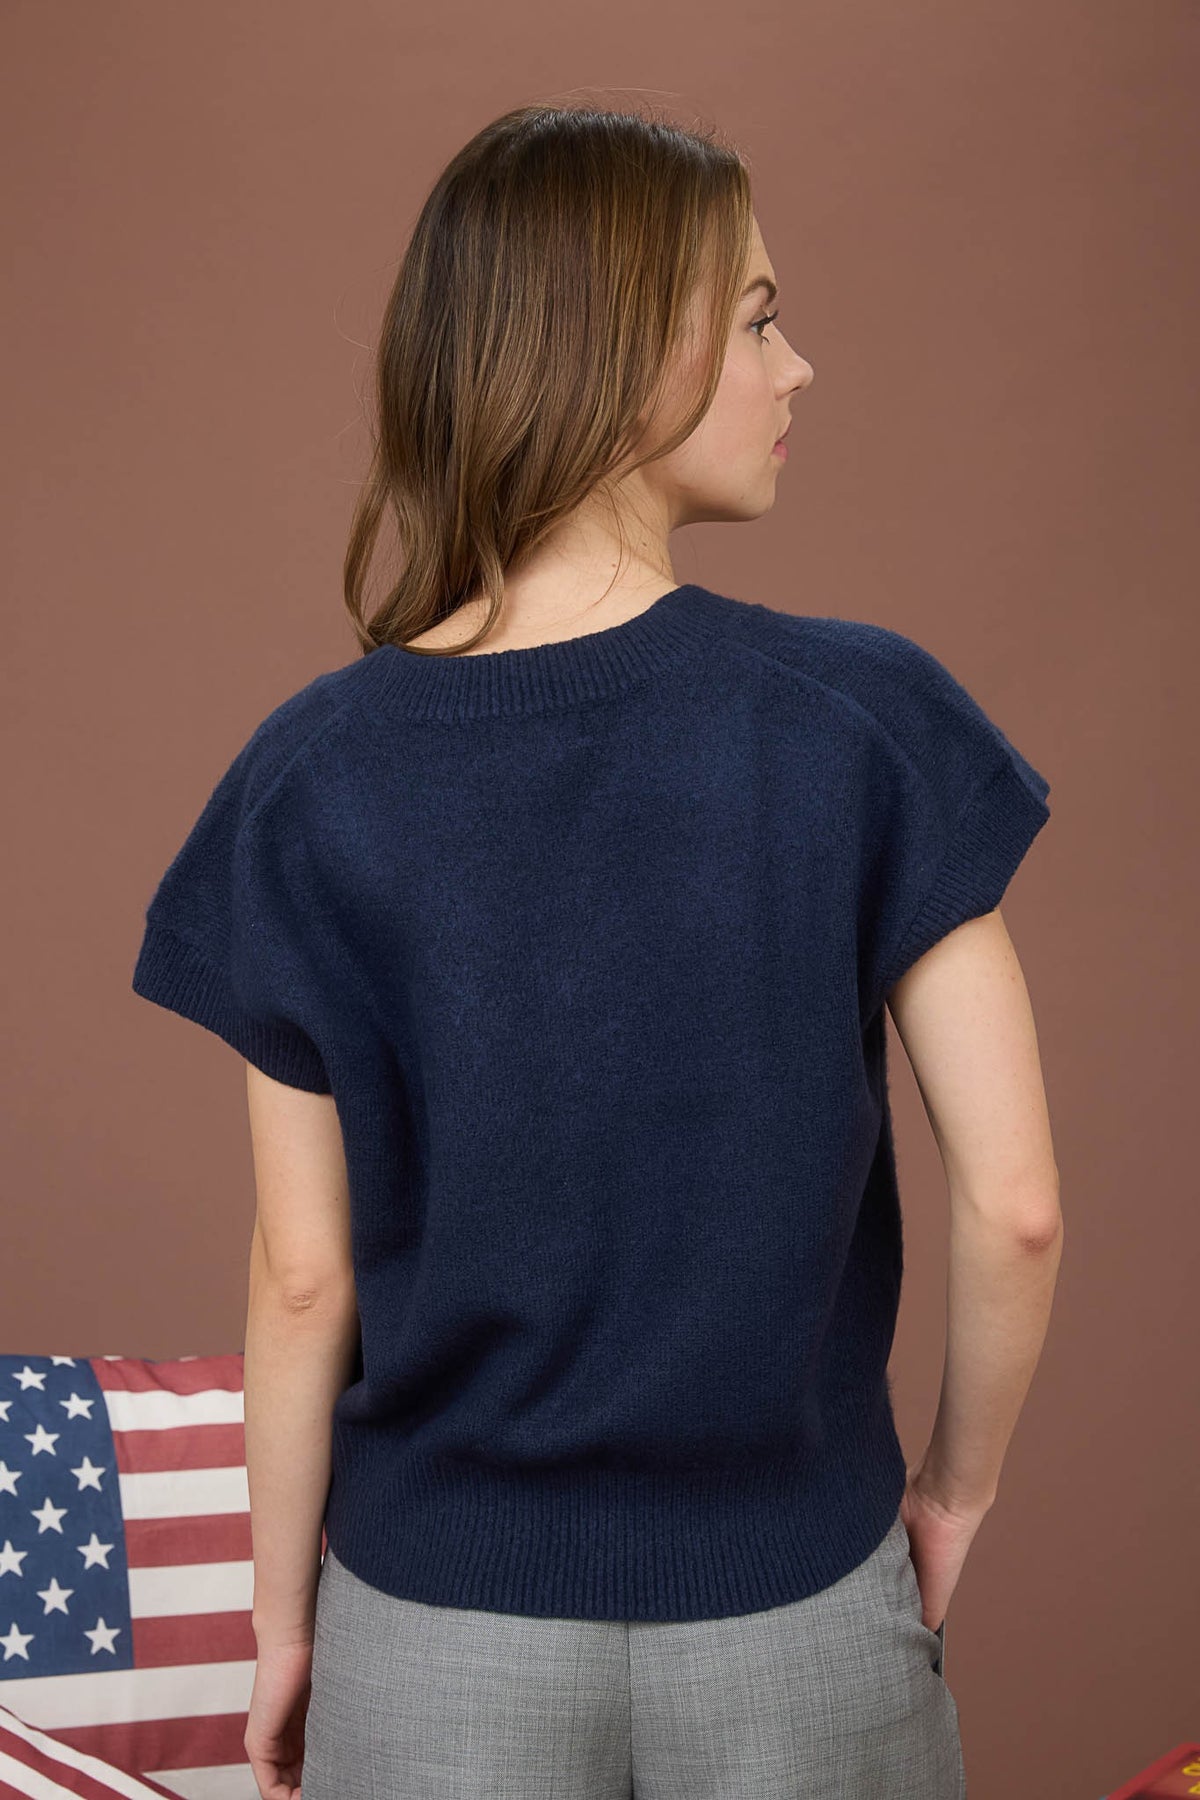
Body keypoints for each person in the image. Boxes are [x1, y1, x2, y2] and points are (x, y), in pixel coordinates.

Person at [130, 99, 1061, 1800]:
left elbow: (304, 1275)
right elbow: (1016, 1207)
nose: (799, 368)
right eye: (760, 320)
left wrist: (279, 1626)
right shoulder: (865, 720)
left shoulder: (309, 778)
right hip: (802, 1616)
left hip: (434, 1638)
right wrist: (955, 1492)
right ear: (628, 362)